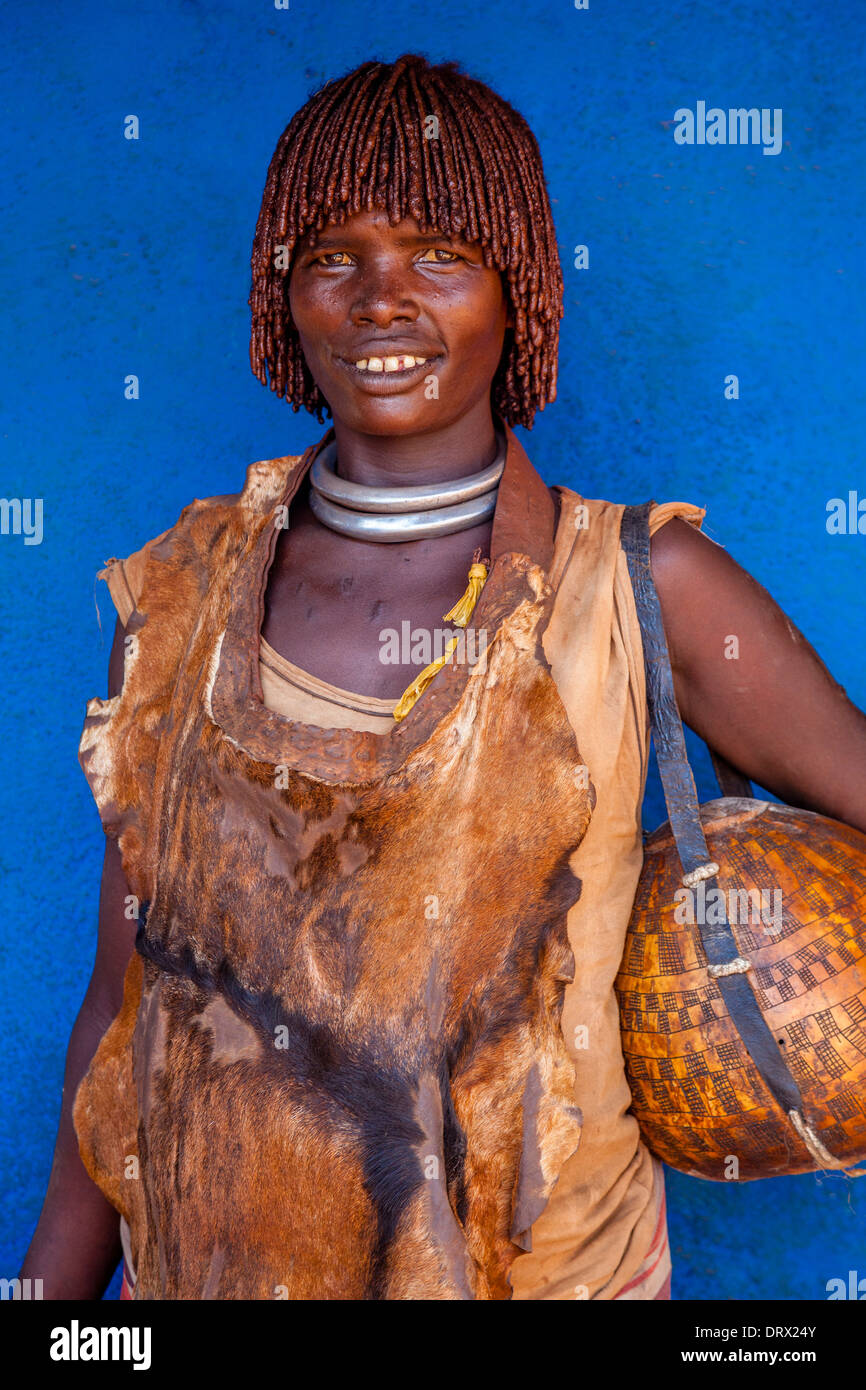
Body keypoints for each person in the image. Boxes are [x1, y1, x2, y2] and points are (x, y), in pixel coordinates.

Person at [21, 53, 866, 1301]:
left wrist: (766, 1006)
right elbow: (127, 994)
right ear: (282, 296)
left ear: (516, 288)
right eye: (331, 259)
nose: (379, 300)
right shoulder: (182, 591)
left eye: (439, 257)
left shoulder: (640, 583)